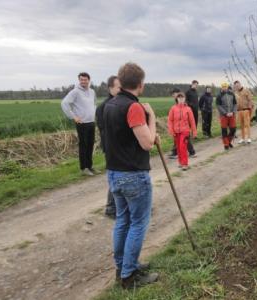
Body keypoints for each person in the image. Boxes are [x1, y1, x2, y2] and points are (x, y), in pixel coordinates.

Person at [103, 62, 159, 288]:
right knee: (137, 223)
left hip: (114, 173)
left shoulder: (109, 105)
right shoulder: (133, 107)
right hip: (133, 174)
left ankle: (123, 265)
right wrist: (152, 119)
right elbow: (147, 143)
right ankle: (129, 275)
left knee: (122, 221)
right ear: (140, 84)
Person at [61, 72, 97, 176]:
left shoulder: (92, 91)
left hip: (91, 122)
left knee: (90, 144)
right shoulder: (75, 92)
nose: (83, 81)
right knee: (83, 145)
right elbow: (64, 103)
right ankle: (84, 168)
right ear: (79, 80)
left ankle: (90, 166)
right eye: (81, 80)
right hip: (82, 123)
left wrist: (93, 114)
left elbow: (94, 104)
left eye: (85, 80)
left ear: (88, 80)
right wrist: (74, 117)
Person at [95, 75, 121, 218]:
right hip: (112, 148)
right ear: (110, 88)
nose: (121, 90)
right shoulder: (104, 107)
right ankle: (111, 208)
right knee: (115, 177)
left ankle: (119, 207)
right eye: (118, 87)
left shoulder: (122, 103)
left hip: (119, 147)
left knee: (120, 176)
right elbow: (104, 130)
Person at [168, 93, 197, 170]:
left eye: (182, 98)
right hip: (176, 131)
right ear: (177, 99)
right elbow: (170, 120)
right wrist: (171, 130)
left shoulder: (188, 109)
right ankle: (181, 162)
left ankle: (185, 164)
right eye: (179, 98)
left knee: (182, 146)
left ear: (184, 99)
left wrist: (194, 131)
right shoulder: (173, 108)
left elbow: (192, 121)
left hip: (185, 131)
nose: (181, 99)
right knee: (178, 147)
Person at [216, 82, 237, 150]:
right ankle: (226, 145)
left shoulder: (232, 94)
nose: (224, 88)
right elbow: (218, 106)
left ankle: (228, 141)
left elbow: (235, 104)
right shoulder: (219, 96)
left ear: (227, 87)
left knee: (233, 129)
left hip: (231, 115)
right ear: (221, 87)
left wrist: (233, 112)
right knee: (224, 130)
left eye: (225, 86)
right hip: (223, 115)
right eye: (223, 87)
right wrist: (225, 113)